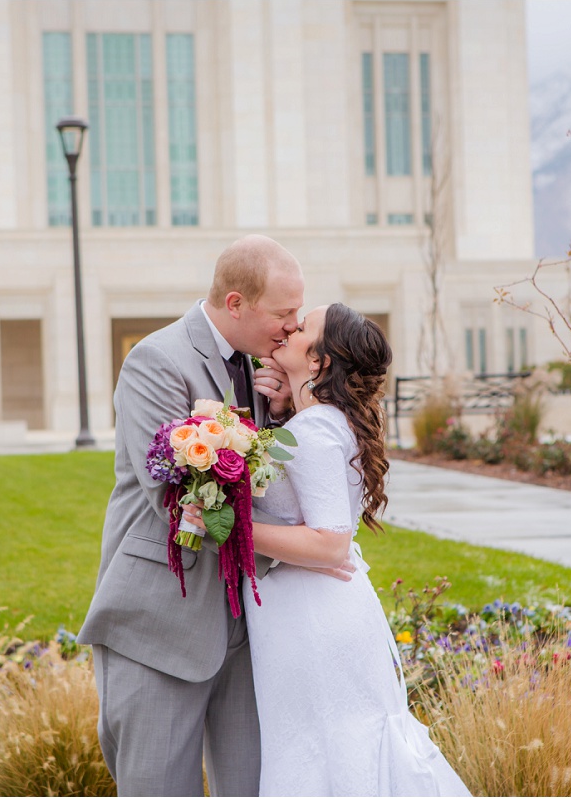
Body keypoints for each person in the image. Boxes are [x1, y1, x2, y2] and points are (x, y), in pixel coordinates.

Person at [78, 234, 348, 796]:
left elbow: (270, 479)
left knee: (255, 787)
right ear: (235, 304)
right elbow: (178, 497)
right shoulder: (156, 359)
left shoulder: (259, 368)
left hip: (250, 630)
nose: (293, 326)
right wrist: (313, 544)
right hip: (162, 623)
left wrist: (276, 414)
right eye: (283, 313)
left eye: (299, 313)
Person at [185, 303, 472, 796]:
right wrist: (278, 414)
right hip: (312, 611)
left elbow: (331, 542)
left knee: (323, 754)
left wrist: (230, 531)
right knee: (329, 750)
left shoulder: (315, 431)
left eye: (303, 327)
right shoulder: (318, 422)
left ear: (318, 361)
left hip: (312, 621)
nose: (290, 328)